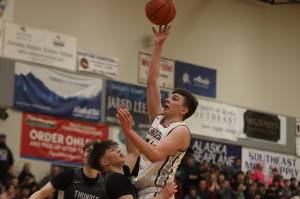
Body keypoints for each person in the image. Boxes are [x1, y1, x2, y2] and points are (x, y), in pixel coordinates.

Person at [117, 25, 198, 199]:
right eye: (169, 96)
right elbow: (152, 81)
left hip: (158, 192)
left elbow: (154, 155)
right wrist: (158, 46)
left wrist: (130, 131)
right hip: (140, 187)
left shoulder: (181, 130)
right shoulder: (158, 117)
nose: (168, 99)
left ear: (183, 110)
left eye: (175, 99)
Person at [89, 136, 176, 199]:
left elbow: (133, 153)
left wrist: (127, 130)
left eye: (116, 148)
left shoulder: (116, 176)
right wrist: (162, 196)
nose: (118, 150)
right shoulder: (116, 179)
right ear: (105, 162)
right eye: (112, 150)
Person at [29, 141, 105, 199]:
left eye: (94, 153)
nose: (90, 155)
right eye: (88, 151)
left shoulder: (104, 186)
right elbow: (40, 194)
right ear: (83, 155)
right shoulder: (68, 176)